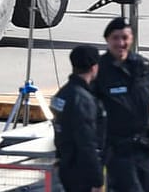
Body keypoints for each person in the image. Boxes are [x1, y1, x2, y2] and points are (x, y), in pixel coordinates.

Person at [94, 16, 149, 192]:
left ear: (131, 39)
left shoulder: (142, 65)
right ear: (107, 40)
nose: (121, 43)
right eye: (116, 38)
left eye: (125, 38)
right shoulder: (100, 70)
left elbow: (147, 99)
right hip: (117, 148)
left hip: (143, 144)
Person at [52, 44, 106, 192]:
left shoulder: (62, 94)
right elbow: (87, 143)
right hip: (82, 171)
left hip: (65, 164)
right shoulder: (83, 99)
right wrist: (97, 180)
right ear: (94, 67)